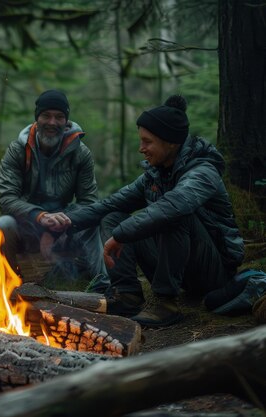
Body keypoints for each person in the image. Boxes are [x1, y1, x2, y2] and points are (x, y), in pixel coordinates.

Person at [56, 95, 244, 328]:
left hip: (213, 273)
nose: (141, 149)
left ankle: (166, 304)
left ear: (171, 143)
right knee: (112, 216)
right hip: (181, 268)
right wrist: (65, 222)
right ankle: (127, 295)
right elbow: (112, 203)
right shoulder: (155, 174)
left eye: (147, 142)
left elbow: (174, 206)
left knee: (173, 215)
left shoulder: (203, 171)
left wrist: (122, 234)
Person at [0, 89, 109, 291]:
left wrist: (61, 227)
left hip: (65, 227)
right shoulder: (18, 150)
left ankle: (101, 287)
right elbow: (6, 198)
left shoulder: (80, 153)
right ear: (36, 119)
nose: (52, 122)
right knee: (3, 224)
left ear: (67, 122)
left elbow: (89, 202)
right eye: (46, 115)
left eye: (59, 117)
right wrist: (41, 217)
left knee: (94, 220)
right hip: (27, 226)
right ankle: (11, 290)